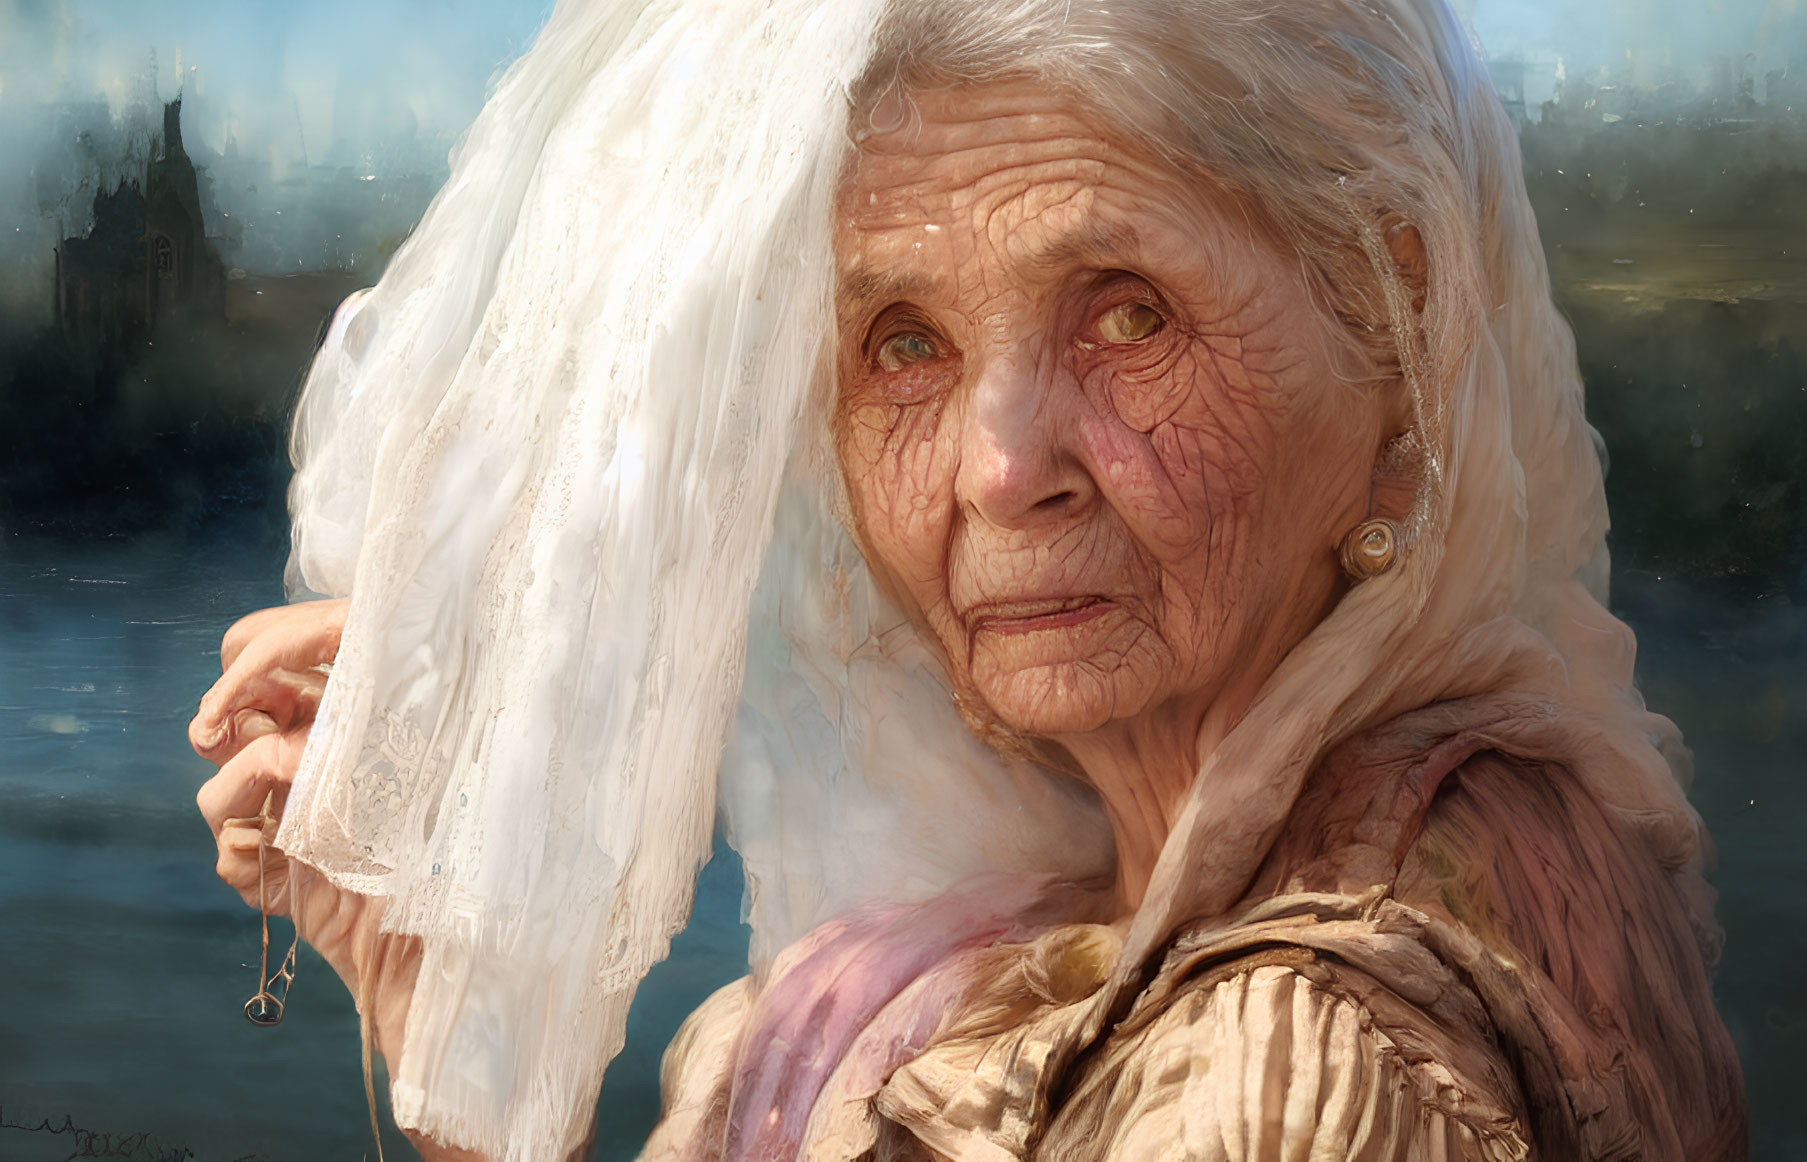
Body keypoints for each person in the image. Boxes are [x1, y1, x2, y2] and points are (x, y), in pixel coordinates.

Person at [191, 0, 1747, 1158]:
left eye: (1128, 312)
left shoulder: (1304, 1065)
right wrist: (436, 1013)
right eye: (905, 345)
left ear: (1395, 342)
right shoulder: (1382, 855)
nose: (1003, 466)